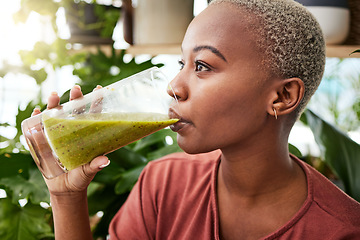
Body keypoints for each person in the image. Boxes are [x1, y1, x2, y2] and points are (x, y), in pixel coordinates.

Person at [33, 0, 360, 239]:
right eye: (181, 63)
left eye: (202, 66)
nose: (174, 87)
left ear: (282, 97)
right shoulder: (164, 184)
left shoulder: (341, 230)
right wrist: (66, 197)